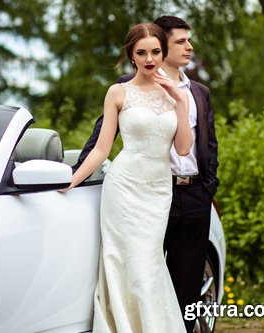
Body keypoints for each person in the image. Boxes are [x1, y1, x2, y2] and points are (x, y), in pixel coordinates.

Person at [72, 16, 220, 332]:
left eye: (154, 52)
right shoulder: (121, 90)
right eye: (142, 53)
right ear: (134, 55)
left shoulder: (190, 92)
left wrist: (208, 188)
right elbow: (101, 146)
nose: (149, 59)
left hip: (175, 193)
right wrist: (72, 179)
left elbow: (192, 147)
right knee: (138, 268)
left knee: (175, 278)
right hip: (127, 189)